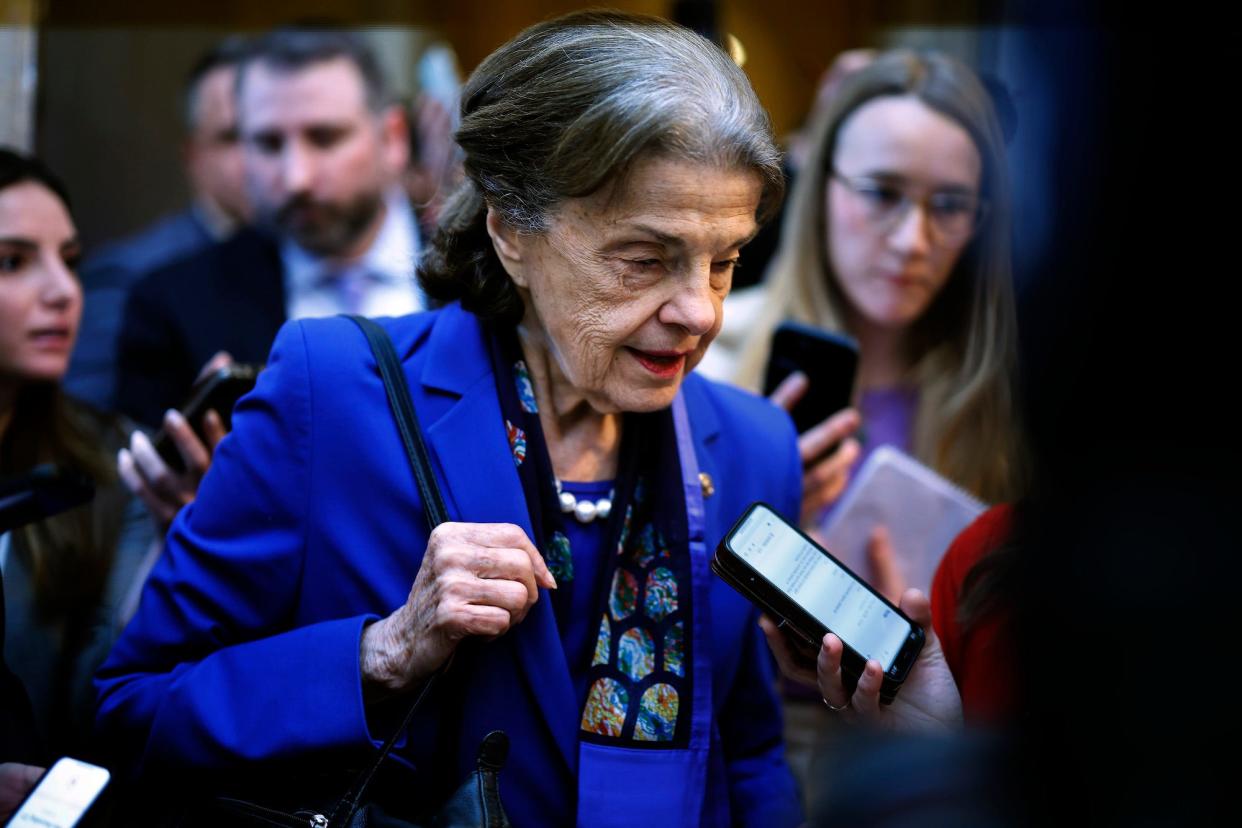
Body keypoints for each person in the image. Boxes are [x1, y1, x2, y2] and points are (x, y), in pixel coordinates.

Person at [96, 11, 805, 827]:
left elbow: (747, 759)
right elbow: (132, 710)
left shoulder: (754, 445)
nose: (699, 312)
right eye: (644, 260)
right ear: (511, 230)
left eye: (724, 263)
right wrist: (385, 651)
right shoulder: (331, 392)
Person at [704, 50, 1025, 523]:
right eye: (881, 193)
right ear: (820, 192)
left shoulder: (1010, 401)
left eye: (951, 206)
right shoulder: (705, 356)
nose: (913, 241)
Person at [114, 26, 422, 434]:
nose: (296, 178)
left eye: (324, 138)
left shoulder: (488, 273)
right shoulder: (173, 308)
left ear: (392, 137)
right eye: (269, 144)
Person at [0, 148, 155, 761]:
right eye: (13, 262)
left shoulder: (106, 464)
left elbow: (98, 712)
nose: (64, 292)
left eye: (69, 262)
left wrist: (178, 539)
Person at [64, 36, 252, 412]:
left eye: (272, 136)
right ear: (193, 156)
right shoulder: (129, 276)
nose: (263, 157)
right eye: (234, 137)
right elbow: (87, 431)